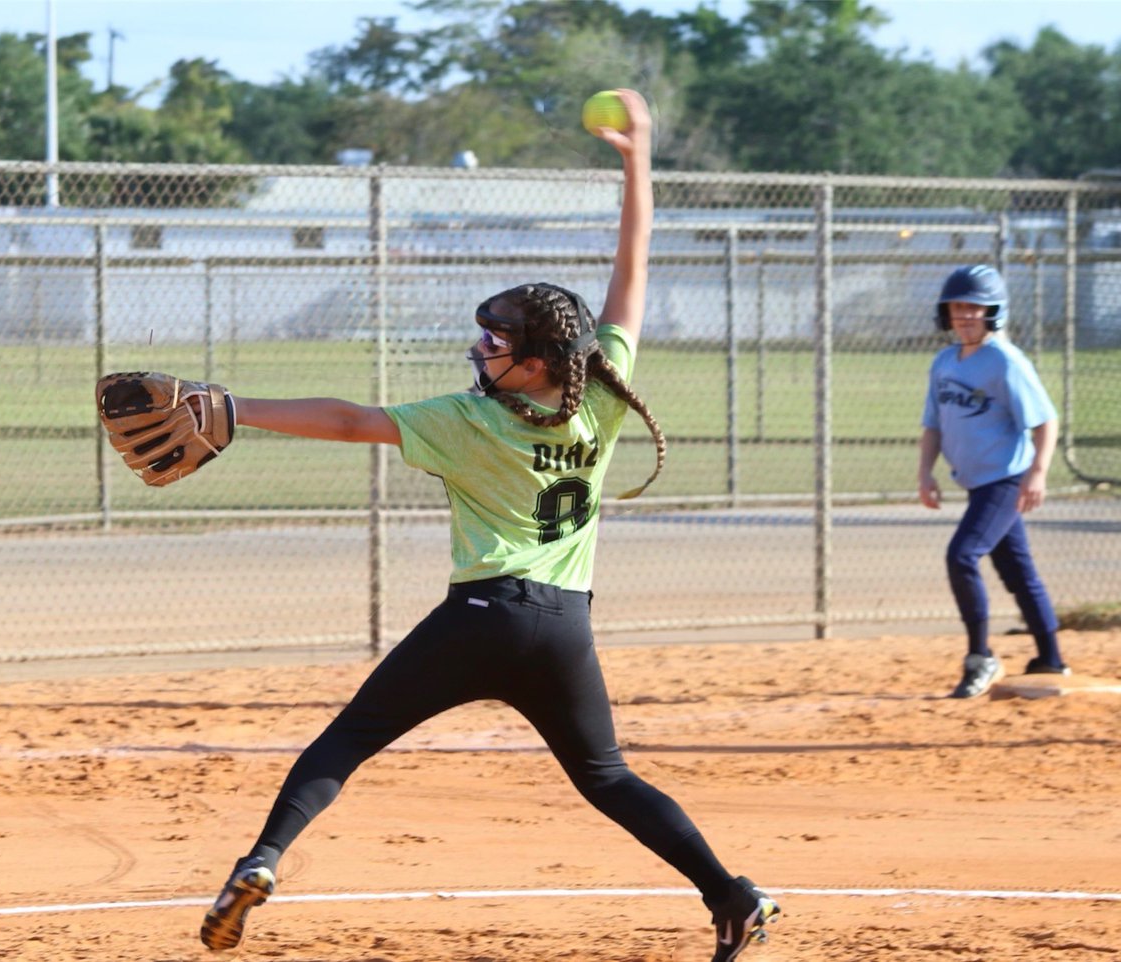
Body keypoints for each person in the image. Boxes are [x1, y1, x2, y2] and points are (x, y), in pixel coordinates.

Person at [198, 89, 781, 962]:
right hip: (564, 625)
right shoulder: (602, 401)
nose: (481, 351)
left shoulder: (469, 423)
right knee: (607, 776)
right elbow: (634, 270)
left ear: (538, 361)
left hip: (482, 616)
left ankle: (262, 859)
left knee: (348, 739)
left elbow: (352, 419)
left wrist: (233, 406)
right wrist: (638, 159)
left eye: (497, 343)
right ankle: (732, 896)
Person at [918, 264, 1069, 699]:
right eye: (957, 307)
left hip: (1005, 480)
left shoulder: (1004, 360)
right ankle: (1051, 658)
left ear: (993, 313)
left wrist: (1037, 473)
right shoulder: (944, 362)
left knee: (962, 555)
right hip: (976, 482)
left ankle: (980, 657)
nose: (965, 316)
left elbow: (1045, 420)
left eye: (974, 308)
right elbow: (933, 425)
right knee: (1017, 571)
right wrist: (925, 472)